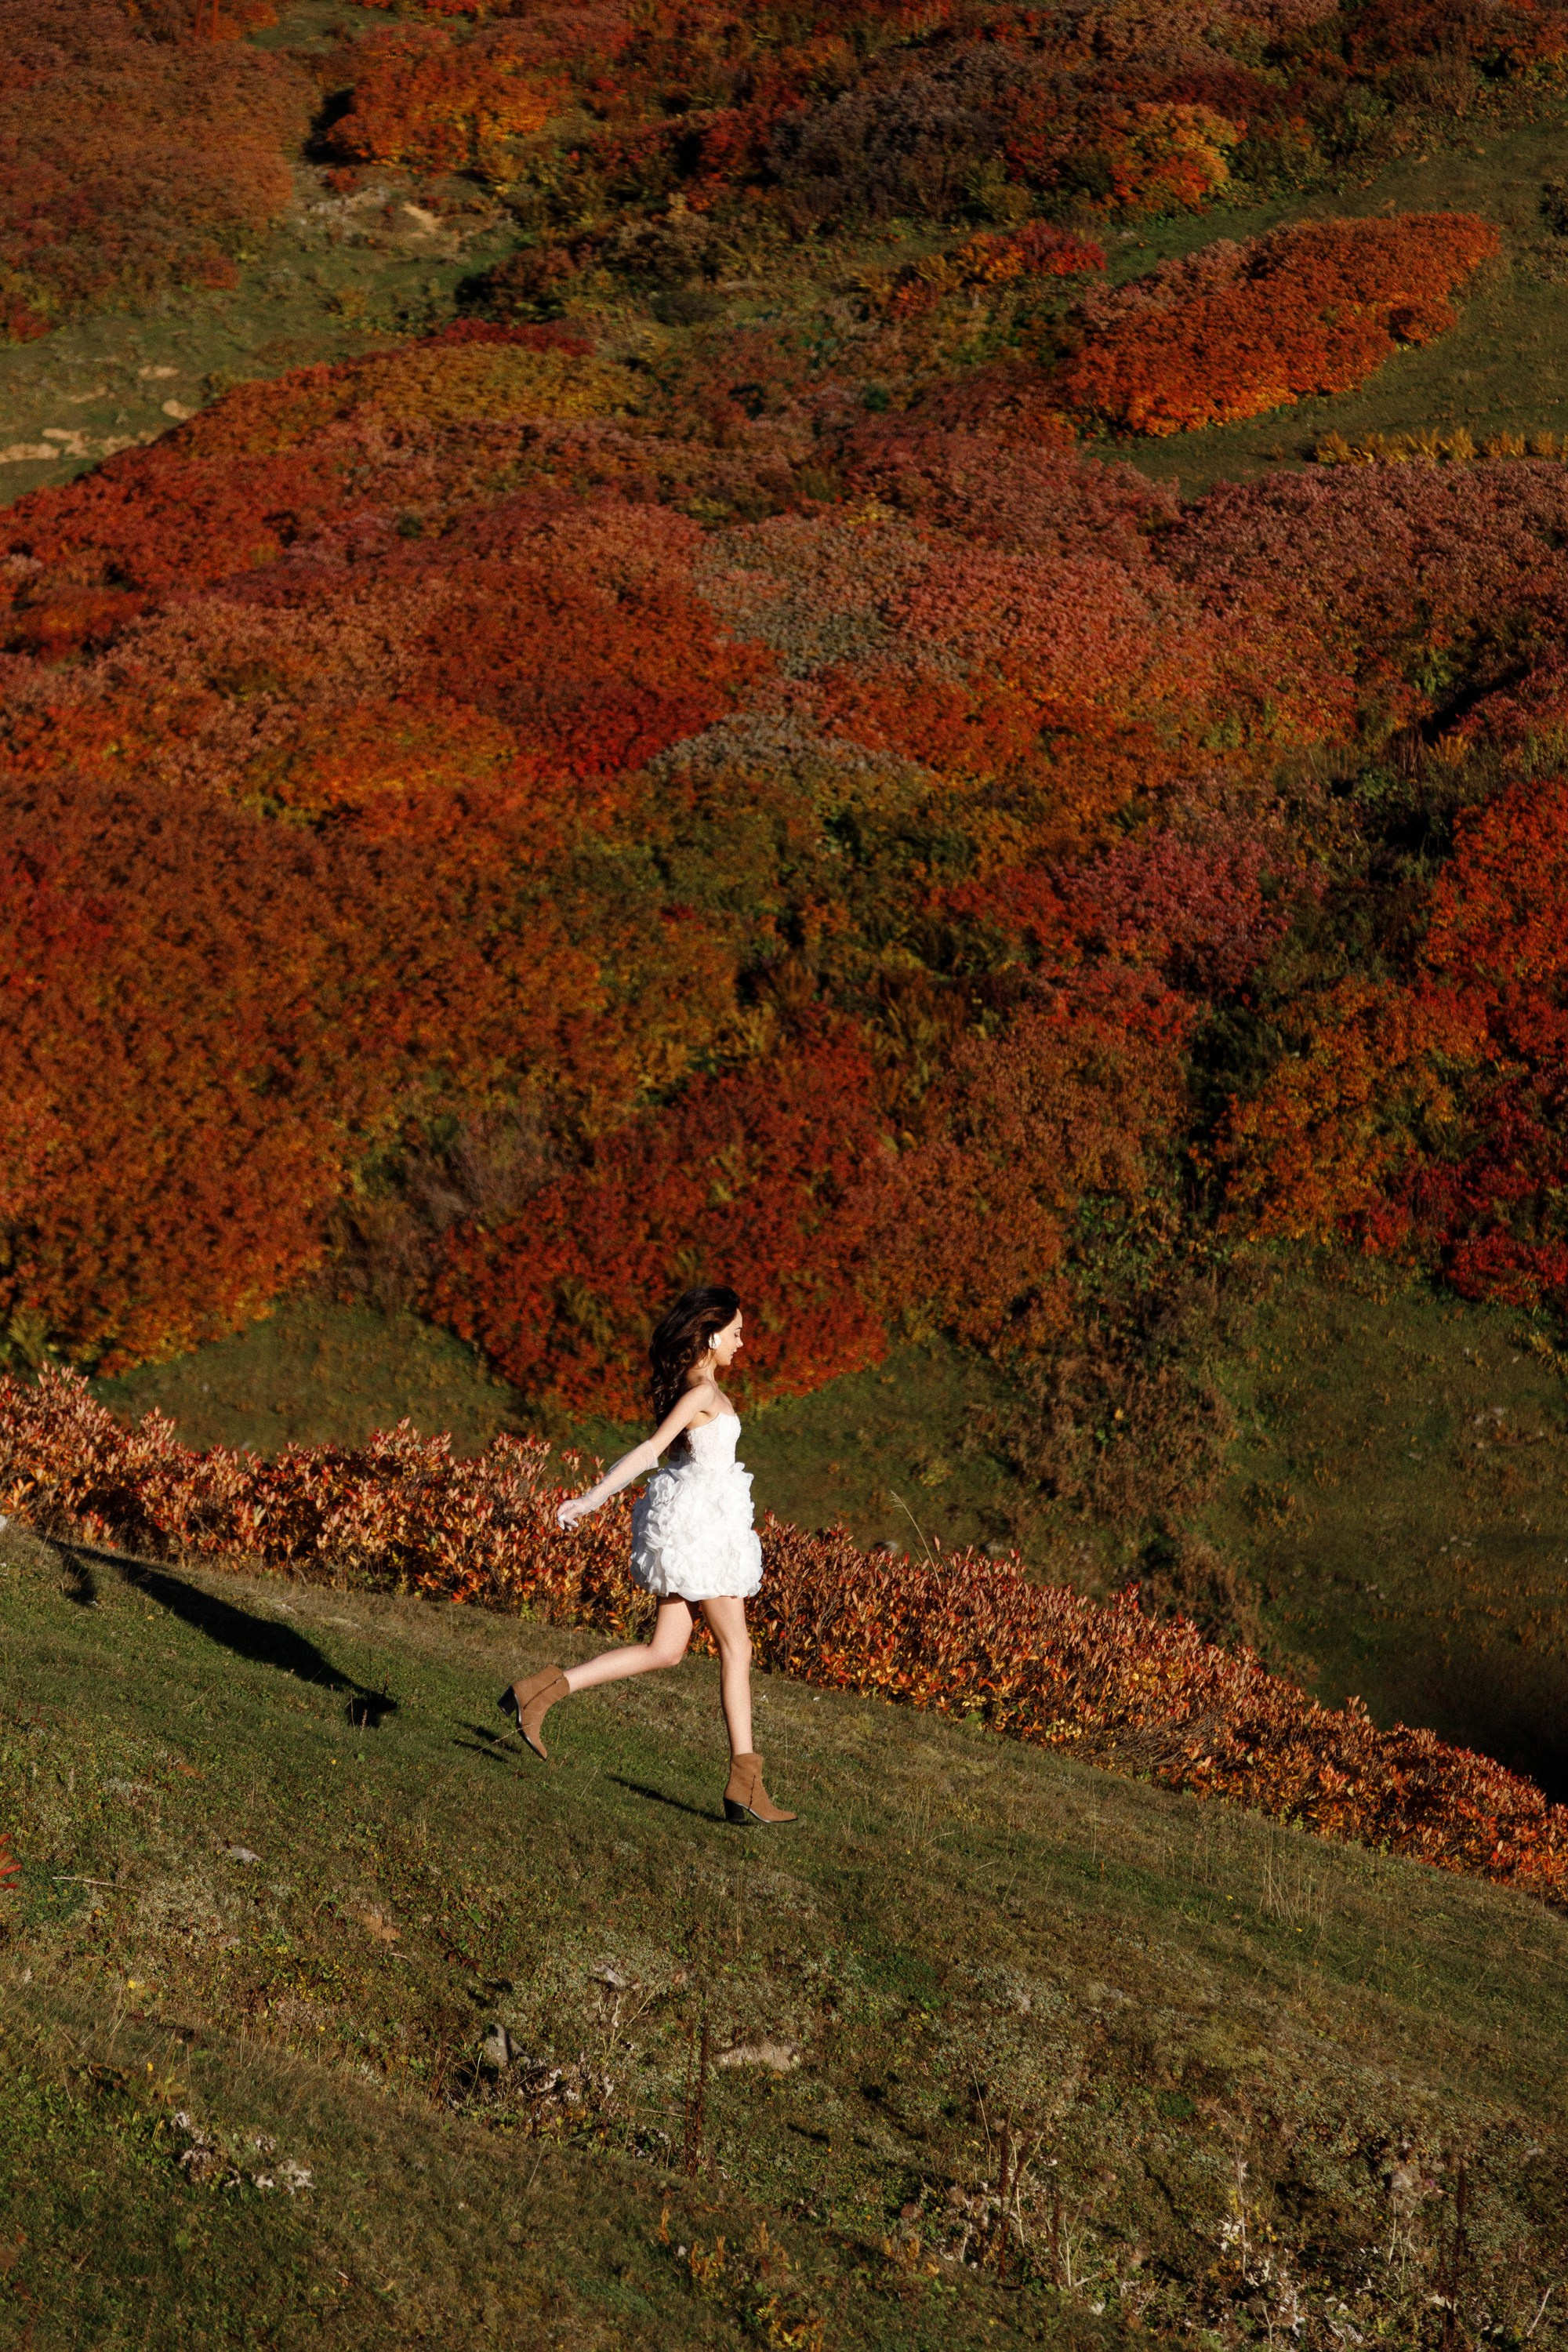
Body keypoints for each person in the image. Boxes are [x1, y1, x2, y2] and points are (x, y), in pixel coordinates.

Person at [499, 1285, 797, 1827]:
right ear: (710, 1334)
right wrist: (592, 1499)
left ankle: (537, 1692)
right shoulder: (701, 1393)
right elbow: (649, 1450)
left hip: (700, 1524)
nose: (743, 1342)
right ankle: (745, 1785)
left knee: (666, 1650)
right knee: (738, 1647)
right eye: (736, 1332)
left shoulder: (707, 1388)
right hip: (704, 1531)